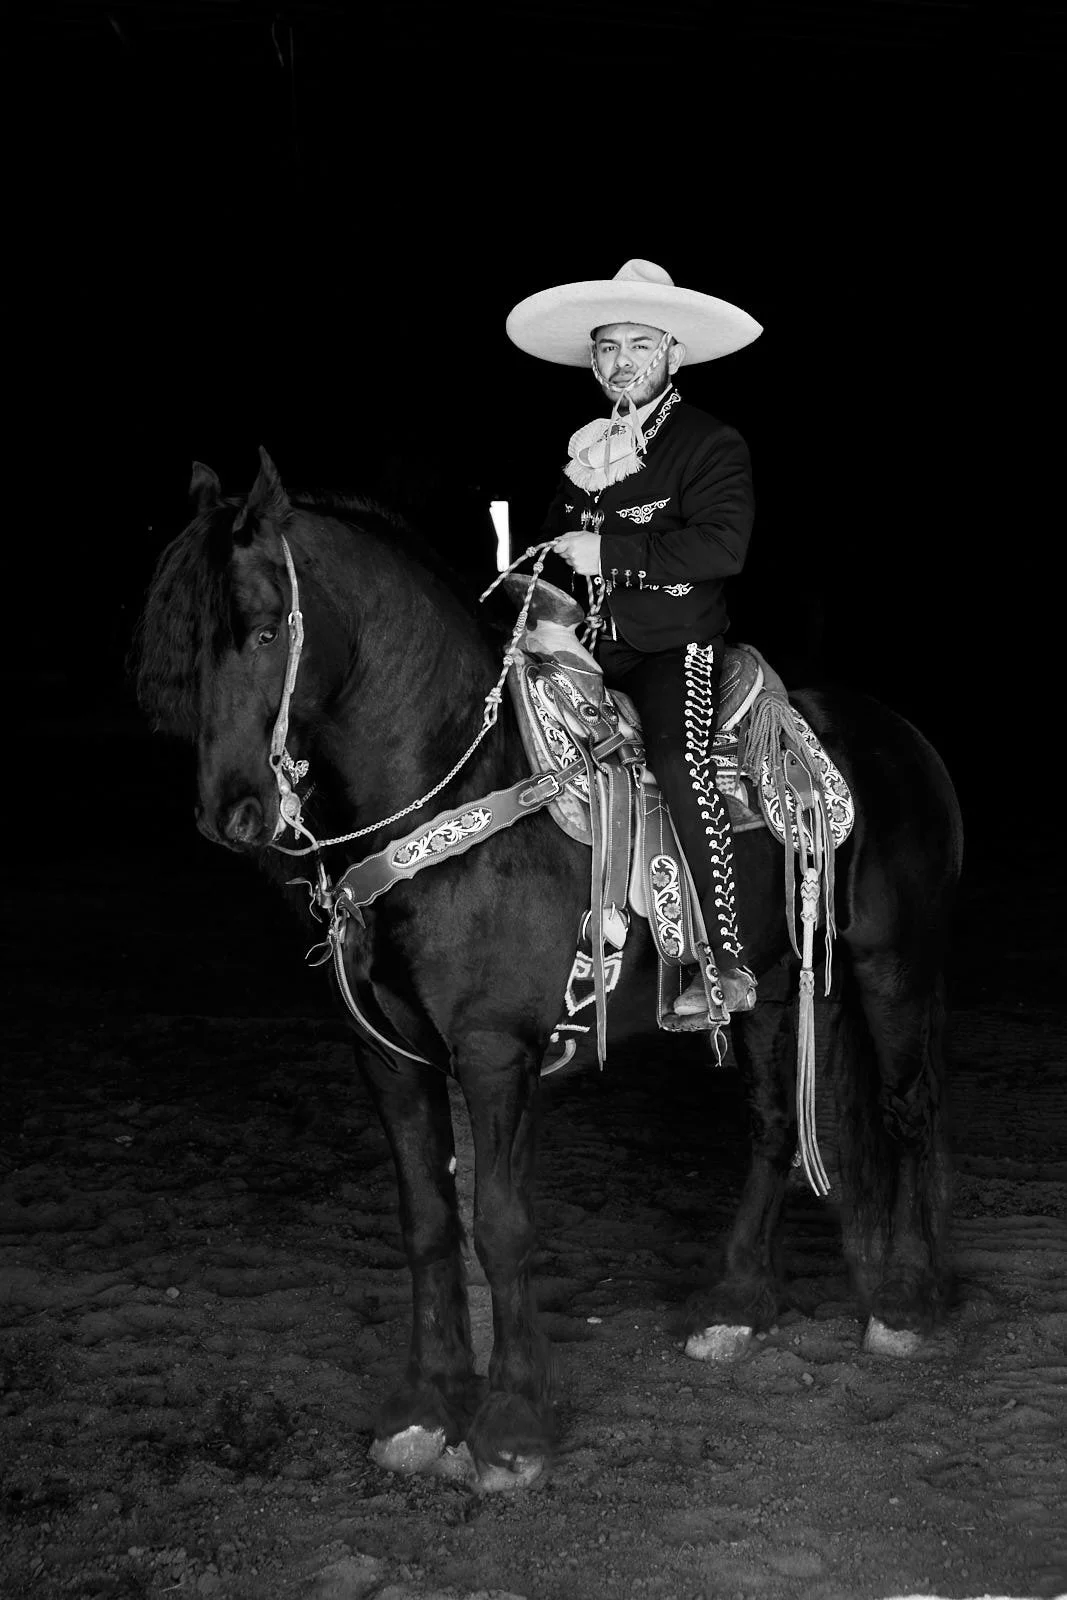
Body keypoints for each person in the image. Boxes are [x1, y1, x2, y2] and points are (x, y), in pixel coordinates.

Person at [506, 258, 762, 1020]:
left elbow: (724, 548)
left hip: (669, 647)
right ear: (593, 360)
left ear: (671, 354)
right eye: (607, 348)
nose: (621, 362)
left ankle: (724, 963)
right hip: (585, 646)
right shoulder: (589, 450)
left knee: (679, 761)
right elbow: (560, 547)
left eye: (638, 346)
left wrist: (612, 555)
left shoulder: (709, 443)